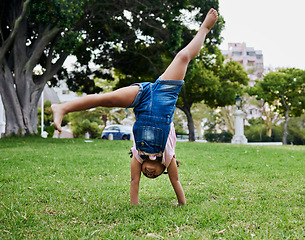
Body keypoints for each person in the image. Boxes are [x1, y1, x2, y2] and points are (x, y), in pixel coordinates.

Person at [51, 8, 218, 205]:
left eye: (148, 176)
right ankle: (204, 29)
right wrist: (181, 203)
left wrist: (134, 205)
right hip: (164, 94)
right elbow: (176, 181)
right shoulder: (168, 156)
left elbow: (133, 181)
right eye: (155, 175)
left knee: (108, 99)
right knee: (183, 57)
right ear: (164, 169)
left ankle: (62, 107)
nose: (149, 174)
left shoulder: (138, 155)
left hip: (141, 98)